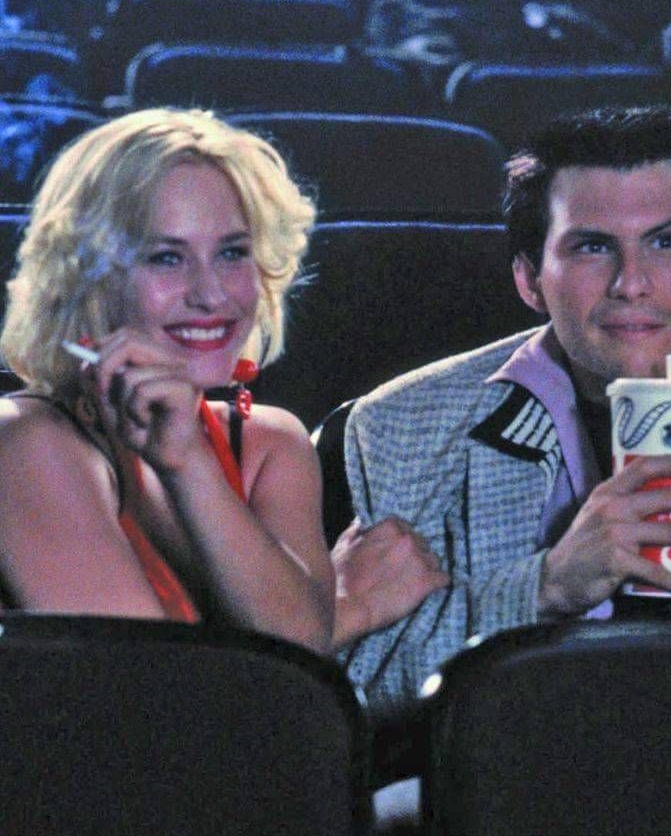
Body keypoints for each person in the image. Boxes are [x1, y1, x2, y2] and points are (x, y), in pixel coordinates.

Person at [0, 106, 445, 651]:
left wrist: (188, 462)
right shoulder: (25, 440)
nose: (211, 295)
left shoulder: (269, 442)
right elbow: (142, 692)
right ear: (85, 280)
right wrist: (354, 611)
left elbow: (300, 643)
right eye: (167, 258)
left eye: (233, 252)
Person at [341, 103, 671, 708]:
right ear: (530, 280)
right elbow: (369, 687)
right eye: (592, 248)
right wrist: (545, 587)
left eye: (665, 242)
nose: (632, 282)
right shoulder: (403, 426)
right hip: (533, 774)